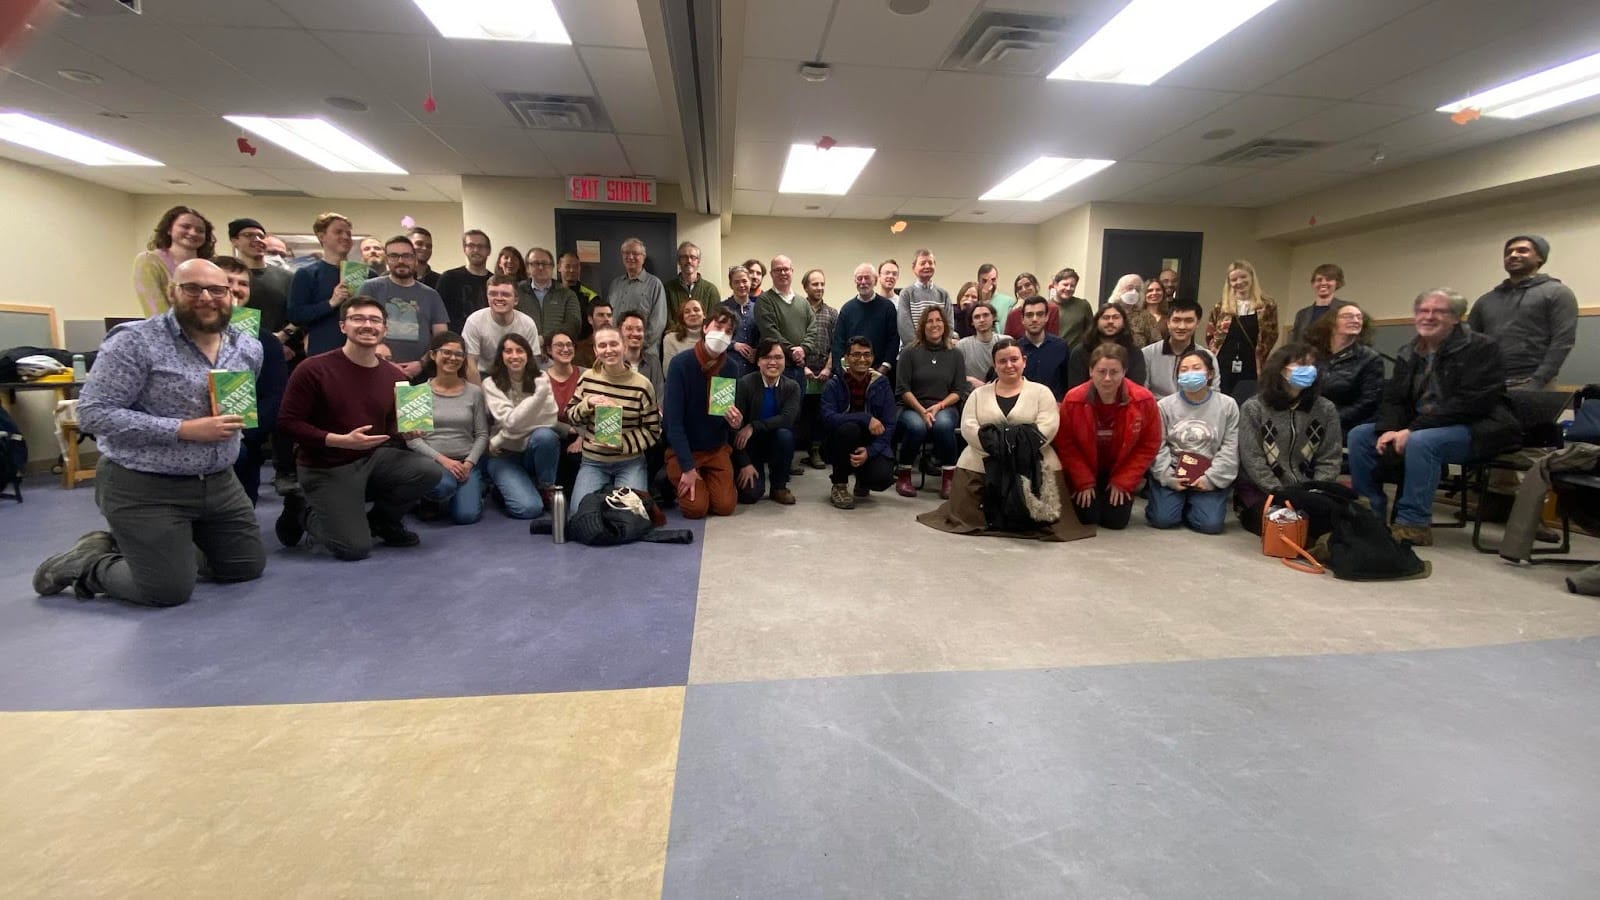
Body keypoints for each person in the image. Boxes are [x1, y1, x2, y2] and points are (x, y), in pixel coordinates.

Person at [33, 259, 264, 606]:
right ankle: (88, 562)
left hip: (218, 482)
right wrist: (183, 430)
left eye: (217, 290)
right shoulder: (135, 341)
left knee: (244, 566)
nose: (206, 297)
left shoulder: (247, 347)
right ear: (172, 292)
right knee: (166, 591)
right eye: (192, 288)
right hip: (144, 485)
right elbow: (93, 413)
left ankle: (158, 552)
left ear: (230, 295)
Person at [1348, 288, 1519, 546]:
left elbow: (1471, 403)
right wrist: (1390, 428)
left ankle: (1412, 523)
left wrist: (1413, 430)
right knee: (1360, 435)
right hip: (1422, 426)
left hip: (1478, 427)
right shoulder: (1410, 351)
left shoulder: (1482, 348)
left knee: (1422, 442)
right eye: (1423, 311)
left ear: (1456, 317)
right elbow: (1394, 398)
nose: (1428, 317)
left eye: (1438, 311)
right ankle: (1370, 512)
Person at [275, 295, 440, 559]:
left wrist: (404, 431)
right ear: (343, 326)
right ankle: (302, 509)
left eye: (375, 320)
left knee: (428, 471)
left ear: (384, 329)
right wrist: (337, 440)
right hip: (325, 466)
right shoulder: (313, 369)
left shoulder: (395, 376)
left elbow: (389, 424)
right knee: (354, 548)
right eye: (358, 318)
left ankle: (382, 522)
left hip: (371, 459)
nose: (367, 325)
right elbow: (287, 423)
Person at [916, 338, 1093, 541]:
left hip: (1034, 459)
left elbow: (1049, 426)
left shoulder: (1042, 393)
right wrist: (997, 445)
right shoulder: (977, 395)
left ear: (1024, 361)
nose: (1009, 365)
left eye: (1014, 359)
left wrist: (1014, 446)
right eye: (1002, 361)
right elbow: (968, 426)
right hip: (982, 458)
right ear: (994, 365)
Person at [1234, 342, 1344, 533]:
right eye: (1301, 365)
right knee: (1283, 527)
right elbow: (1252, 459)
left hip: (1309, 490)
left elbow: (1330, 457)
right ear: (1281, 369)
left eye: (1311, 365)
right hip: (1263, 490)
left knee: (1332, 524)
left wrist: (1316, 490)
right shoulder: (1254, 408)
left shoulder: (1326, 409)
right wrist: (1279, 492)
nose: (1308, 370)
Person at [1056, 344, 1162, 530]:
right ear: (1090, 371)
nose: (1107, 378)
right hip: (1086, 468)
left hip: (1120, 469)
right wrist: (1083, 481)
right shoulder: (1073, 400)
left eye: (1114, 372)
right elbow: (1066, 444)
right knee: (1088, 517)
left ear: (1124, 372)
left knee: (1116, 521)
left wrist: (1124, 481)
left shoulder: (1144, 400)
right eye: (1101, 371)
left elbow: (1149, 445)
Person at [565, 324, 661, 515]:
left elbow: (653, 431)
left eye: (613, 344)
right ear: (595, 350)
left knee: (630, 517)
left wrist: (621, 444)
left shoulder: (642, 385)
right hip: (593, 461)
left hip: (630, 461)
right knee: (579, 515)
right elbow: (571, 416)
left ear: (624, 346)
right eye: (602, 345)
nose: (608, 350)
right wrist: (587, 403)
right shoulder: (587, 378)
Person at [214, 255, 288, 506]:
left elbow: (273, 396)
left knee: (241, 516)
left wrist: (245, 435)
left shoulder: (265, 341)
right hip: (190, 443)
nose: (235, 289)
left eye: (242, 283)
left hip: (245, 444)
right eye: (227, 281)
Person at [1467, 234, 1579, 390]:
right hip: (1491, 384)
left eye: (1522, 251)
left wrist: (1538, 381)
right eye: (1508, 252)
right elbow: (1470, 343)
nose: (1513, 255)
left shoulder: (1557, 293)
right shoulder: (1485, 300)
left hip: (1534, 383)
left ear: (1539, 258)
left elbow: (1562, 342)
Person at [1147, 348, 1240, 534]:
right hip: (1174, 470)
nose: (1190, 373)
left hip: (1209, 473)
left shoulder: (1227, 405)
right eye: (1184, 369)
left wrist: (1210, 479)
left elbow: (1230, 448)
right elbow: (1158, 446)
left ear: (1210, 373)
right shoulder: (1164, 406)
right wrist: (1168, 477)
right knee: (1163, 519)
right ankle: (1172, 501)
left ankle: (1194, 505)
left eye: (1196, 368)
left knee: (1210, 525)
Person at [660, 309, 743, 518]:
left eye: (728, 331)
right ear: (705, 327)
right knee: (696, 509)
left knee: (725, 507)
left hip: (716, 449)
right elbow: (673, 424)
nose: (722, 334)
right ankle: (672, 477)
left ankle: (705, 481)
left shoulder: (730, 368)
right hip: (685, 450)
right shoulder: (680, 364)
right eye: (718, 327)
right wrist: (687, 468)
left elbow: (724, 415)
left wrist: (735, 423)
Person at [407, 332, 488, 525]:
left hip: (465, 464)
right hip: (432, 463)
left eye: (459, 354)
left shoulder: (475, 393)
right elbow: (412, 440)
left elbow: (482, 435)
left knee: (466, 516)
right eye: (446, 352)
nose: (453, 358)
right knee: (442, 487)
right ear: (433, 355)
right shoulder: (416, 392)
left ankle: (472, 490)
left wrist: (468, 463)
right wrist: (445, 461)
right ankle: (429, 498)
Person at [481, 333, 561, 520]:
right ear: (501, 355)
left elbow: (550, 420)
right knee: (529, 510)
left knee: (546, 436)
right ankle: (503, 489)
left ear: (528, 354)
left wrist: (500, 437)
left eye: (520, 351)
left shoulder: (541, 378)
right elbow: (510, 421)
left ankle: (545, 487)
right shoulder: (490, 383)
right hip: (504, 456)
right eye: (508, 351)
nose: (514, 356)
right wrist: (536, 401)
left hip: (527, 449)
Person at [895, 306, 969, 499]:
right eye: (929, 321)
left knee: (943, 425)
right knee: (917, 427)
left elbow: (958, 390)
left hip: (945, 405)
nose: (934, 324)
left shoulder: (955, 354)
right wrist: (922, 411)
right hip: (912, 406)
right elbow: (903, 389)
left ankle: (948, 478)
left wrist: (939, 407)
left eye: (938, 320)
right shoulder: (910, 352)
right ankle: (904, 475)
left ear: (945, 325)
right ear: (922, 326)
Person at [821, 336, 898, 509]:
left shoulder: (882, 383)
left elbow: (890, 424)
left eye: (866, 354)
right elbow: (828, 419)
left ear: (872, 357)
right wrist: (865, 418)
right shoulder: (834, 384)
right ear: (846, 358)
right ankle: (839, 485)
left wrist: (870, 452)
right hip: (838, 444)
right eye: (856, 355)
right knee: (849, 429)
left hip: (870, 443)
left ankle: (863, 480)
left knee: (882, 478)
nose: (862, 359)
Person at [358, 235, 450, 377]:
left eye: (406, 256)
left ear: (414, 259)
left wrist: (422, 363)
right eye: (394, 256)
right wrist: (382, 360)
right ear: (387, 259)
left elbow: (442, 338)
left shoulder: (431, 295)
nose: (401, 261)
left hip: (420, 375)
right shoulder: (370, 288)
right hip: (375, 371)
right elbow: (357, 328)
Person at [732, 338, 801, 505]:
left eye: (778, 357)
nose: (773, 362)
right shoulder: (744, 384)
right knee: (750, 496)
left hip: (776, 443)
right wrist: (744, 463)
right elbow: (734, 428)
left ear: (785, 361)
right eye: (766, 357)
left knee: (785, 435)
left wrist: (754, 426)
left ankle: (779, 486)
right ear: (758, 361)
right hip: (749, 446)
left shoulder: (792, 387)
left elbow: (787, 419)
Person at [1302, 301, 1382, 437]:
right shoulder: (1314, 355)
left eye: (1359, 317)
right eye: (1348, 316)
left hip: (1345, 425)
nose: (1356, 320)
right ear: (1332, 322)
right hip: (1310, 419)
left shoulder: (1370, 358)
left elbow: (1368, 402)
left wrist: (1330, 419)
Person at [1205, 259, 1280, 397]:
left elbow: (1271, 335)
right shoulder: (1221, 307)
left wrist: (1261, 355)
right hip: (1224, 363)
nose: (1239, 282)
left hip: (1251, 363)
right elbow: (1210, 334)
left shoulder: (1267, 305)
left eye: (1243, 277)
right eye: (1234, 279)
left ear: (1251, 277)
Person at [287, 211, 357, 355]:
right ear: (321, 236)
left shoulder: (366, 274)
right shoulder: (307, 274)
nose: (345, 237)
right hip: (323, 351)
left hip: (360, 350)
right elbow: (296, 315)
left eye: (348, 233)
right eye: (338, 232)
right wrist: (331, 303)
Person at [133, 205, 214, 318]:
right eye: (185, 227)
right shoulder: (149, 261)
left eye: (200, 231)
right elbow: (155, 310)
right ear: (169, 229)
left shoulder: (211, 266)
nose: (193, 233)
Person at [755, 254, 820, 388]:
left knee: (797, 408)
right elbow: (770, 332)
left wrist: (803, 349)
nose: (783, 273)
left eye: (786, 269)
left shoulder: (803, 302)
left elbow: (813, 329)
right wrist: (792, 352)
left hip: (799, 368)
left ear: (792, 271)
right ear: (772, 274)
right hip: (775, 369)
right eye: (778, 270)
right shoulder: (764, 300)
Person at [462, 274, 540, 382]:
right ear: (487, 297)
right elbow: (470, 364)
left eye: (505, 294)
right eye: (493, 294)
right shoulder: (474, 321)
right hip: (484, 375)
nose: (499, 298)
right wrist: (480, 396)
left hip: (517, 375)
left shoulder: (527, 323)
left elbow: (533, 362)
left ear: (516, 300)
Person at [227, 217, 292, 340]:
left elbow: (298, 315)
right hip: (236, 345)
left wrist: (283, 337)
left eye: (261, 236)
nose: (257, 240)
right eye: (249, 235)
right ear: (234, 241)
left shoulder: (287, 277)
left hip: (281, 347)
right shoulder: (225, 276)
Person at [800, 268, 838, 470]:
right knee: (799, 412)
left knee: (820, 413)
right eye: (815, 284)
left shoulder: (832, 313)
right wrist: (803, 367)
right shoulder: (798, 310)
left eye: (822, 284)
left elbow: (837, 344)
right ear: (805, 286)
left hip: (824, 373)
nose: (819, 288)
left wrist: (828, 368)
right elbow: (793, 341)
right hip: (801, 370)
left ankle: (815, 450)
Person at [608, 237, 668, 366]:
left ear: (643, 257)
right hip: (618, 354)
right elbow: (610, 318)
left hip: (645, 356)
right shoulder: (615, 284)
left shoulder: (654, 284)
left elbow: (658, 322)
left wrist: (636, 345)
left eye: (635, 253)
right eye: (626, 253)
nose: (630, 257)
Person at [831, 262, 899, 376]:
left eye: (867, 278)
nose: (863, 282)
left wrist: (884, 368)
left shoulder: (888, 307)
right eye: (859, 278)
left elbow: (893, 340)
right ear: (855, 281)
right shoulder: (847, 309)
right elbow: (838, 342)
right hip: (852, 375)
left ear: (876, 281)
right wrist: (843, 370)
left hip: (881, 373)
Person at [1142, 299, 1215, 399]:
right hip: (1156, 410)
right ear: (1168, 322)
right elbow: (1141, 393)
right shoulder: (1147, 354)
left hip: (1195, 411)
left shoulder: (1207, 357)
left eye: (1189, 321)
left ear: (1197, 323)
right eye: (1176, 320)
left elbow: (1213, 394)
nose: (1181, 326)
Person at [1067, 303, 1148, 389]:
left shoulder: (1134, 353)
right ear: (1096, 322)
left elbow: (1136, 388)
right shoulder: (1080, 352)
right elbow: (1076, 388)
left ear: (1124, 322)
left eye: (1116, 317)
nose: (1110, 321)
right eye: (1106, 317)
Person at [542, 330, 584, 491]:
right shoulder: (539, 379)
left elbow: (597, 412)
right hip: (552, 438)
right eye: (559, 345)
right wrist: (569, 429)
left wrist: (582, 436)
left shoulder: (587, 374)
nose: (565, 349)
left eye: (569, 345)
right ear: (549, 350)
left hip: (583, 437)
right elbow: (539, 416)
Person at [517, 247, 582, 342]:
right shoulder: (517, 292)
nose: (541, 267)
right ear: (527, 268)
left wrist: (545, 339)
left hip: (557, 350)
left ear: (552, 267)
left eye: (545, 264)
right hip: (525, 349)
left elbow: (573, 324)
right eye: (535, 263)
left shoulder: (567, 294)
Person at [436, 229, 493, 333]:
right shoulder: (449, 278)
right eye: (471, 246)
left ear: (489, 250)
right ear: (464, 249)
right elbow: (437, 314)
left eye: (480, 246)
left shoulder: (494, 282)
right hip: (456, 342)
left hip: (488, 341)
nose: (476, 250)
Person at [896, 249, 954, 348]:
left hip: (940, 351)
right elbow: (905, 328)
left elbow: (949, 325)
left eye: (930, 263)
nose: (927, 266)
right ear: (913, 268)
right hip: (914, 352)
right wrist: (921, 350)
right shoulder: (906, 294)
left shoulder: (943, 294)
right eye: (923, 263)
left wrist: (939, 348)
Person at [1017, 295, 1071, 401]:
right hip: (1023, 410)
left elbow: (1067, 382)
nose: (1034, 319)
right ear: (1022, 319)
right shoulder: (1016, 350)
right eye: (1029, 315)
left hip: (1054, 408)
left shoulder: (1061, 347)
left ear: (1047, 317)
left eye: (1040, 314)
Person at [1288, 263, 1348, 343]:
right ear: (1313, 284)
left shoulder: (1346, 309)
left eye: (1329, 279)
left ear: (1337, 283)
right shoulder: (1301, 314)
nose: (1323, 283)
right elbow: (1294, 343)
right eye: (1319, 280)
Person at [665, 240, 721, 325]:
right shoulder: (667, 289)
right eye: (684, 257)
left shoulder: (711, 290)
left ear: (698, 262)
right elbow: (667, 320)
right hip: (676, 337)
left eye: (693, 257)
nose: (689, 261)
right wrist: (681, 336)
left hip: (704, 337)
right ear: (679, 261)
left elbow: (714, 321)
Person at [722, 264, 760, 377]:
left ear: (750, 282)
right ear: (731, 285)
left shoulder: (759, 309)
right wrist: (734, 345)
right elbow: (710, 337)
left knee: (751, 395)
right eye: (736, 282)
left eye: (744, 281)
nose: (741, 285)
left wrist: (757, 352)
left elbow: (765, 337)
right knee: (723, 396)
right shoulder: (721, 308)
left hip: (752, 371)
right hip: (724, 370)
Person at [619, 310, 664, 403]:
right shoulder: (613, 362)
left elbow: (659, 397)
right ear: (619, 333)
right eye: (629, 329)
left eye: (639, 329)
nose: (635, 333)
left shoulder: (653, 362)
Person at [957, 301, 1000, 389]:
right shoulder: (962, 345)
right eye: (977, 317)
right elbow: (954, 375)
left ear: (993, 317)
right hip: (971, 395)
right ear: (972, 322)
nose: (982, 320)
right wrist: (971, 380)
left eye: (986, 315)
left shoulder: (1005, 341)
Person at [557, 251, 600, 334]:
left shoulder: (591, 297)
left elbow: (597, 325)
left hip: (582, 345)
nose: (572, 270)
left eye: (575, 267)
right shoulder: (550, 294)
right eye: (568, 266)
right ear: (559, 267)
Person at [573, 298, 613, 368]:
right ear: (590, 319)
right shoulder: (580, 349)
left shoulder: (621, 346)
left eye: (609, 315)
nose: (606, 319)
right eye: (601, 315)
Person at [662, 297, 704, 361]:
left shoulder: (714, 337)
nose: (692, 314)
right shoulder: (670, 339)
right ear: (682, 318)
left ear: (704, 315)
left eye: (696, 310)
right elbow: (669, 369)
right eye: (687, 312)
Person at [1128, 277, 1165, 348]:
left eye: (1158, 290)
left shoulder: (1169, 317)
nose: (1154, 293)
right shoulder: (1134, 316)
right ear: (1143, 294)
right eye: (1150, 290)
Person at [978, 263, 1015, 328]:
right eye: (984, 281)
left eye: (993, 280)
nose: (989, 284)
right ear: (979, 281)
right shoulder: (974, 301)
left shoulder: (1009, 302)